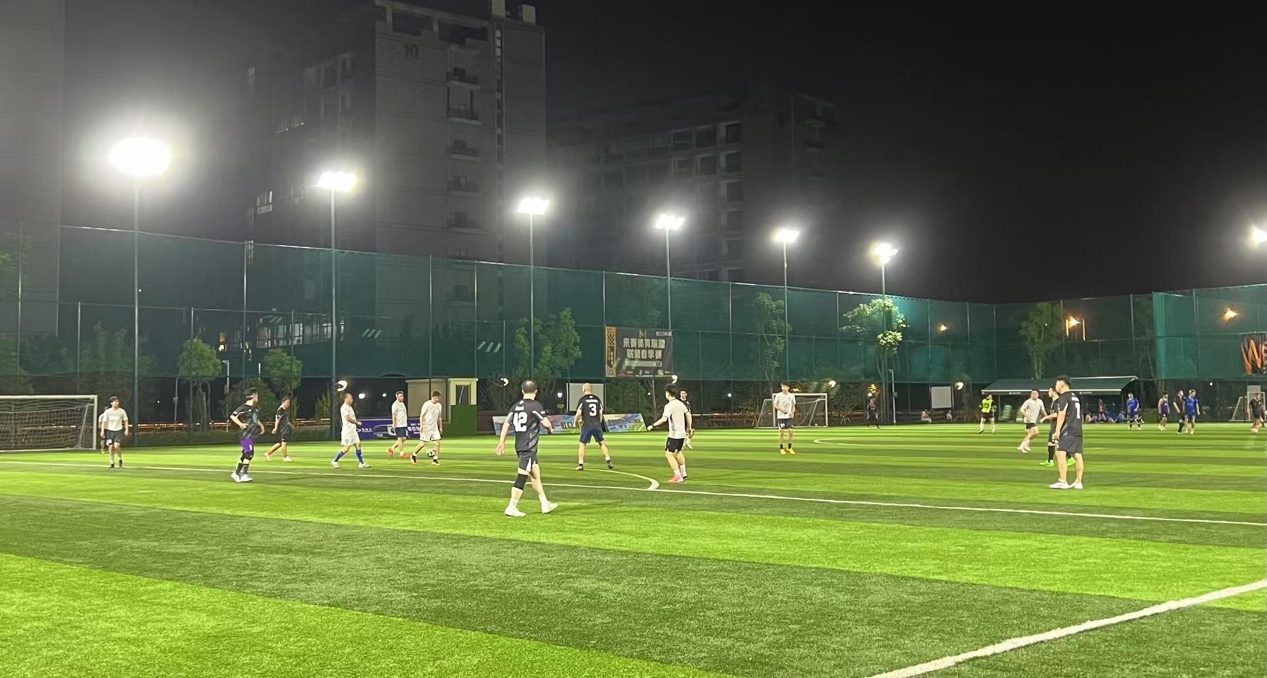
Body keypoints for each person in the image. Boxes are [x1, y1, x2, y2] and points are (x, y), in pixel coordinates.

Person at [495, 380, 557, 517]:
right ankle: (511, 507)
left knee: (535, 476)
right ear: (536, 392)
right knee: (522, 477)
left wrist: (502, 442)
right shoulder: (535, 405)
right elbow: (546, 422)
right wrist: (550, 429)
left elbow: (506, 424)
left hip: (520, 446)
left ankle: (544, 503)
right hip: (528, 448)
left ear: (522, 391)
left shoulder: (516, 406)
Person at [648, 387, 692, 483]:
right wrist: (689, 428)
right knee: (678, 452)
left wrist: (653, 425)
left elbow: (664, 419)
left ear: (668, 393)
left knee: (668, 454)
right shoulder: (680, 403)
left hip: (674, 434)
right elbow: (688, 415)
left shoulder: (669, 406)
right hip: (682, 433)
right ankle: (683, 472)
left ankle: (678, 475)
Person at [1049, 376, 1085, 489]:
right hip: (1077, 428)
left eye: (1056, 384)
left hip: (1068, 429)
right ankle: (1078, 482)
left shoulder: (1063, 397)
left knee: (1060, 453)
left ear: (1062, 384)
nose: (1056, 386)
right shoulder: (1074, 397)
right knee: (1076, 454)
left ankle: (1063, 481)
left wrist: (1057, 431)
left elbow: (1062, 413)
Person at [575, 383, 613, 471]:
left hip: (587, 425)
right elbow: (600, 413)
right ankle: (608, 461)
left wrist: (575, 422)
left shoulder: (582, 400)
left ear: (583, 389)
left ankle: (580, 464)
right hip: (596, 425)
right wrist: (599, 423)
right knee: (602, 443)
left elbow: (579, 413)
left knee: (582, 444)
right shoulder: (597, 399)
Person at [230, 390, 262, 483]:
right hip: (245, 434)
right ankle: (244, 475)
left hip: (251, 434)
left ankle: (236, 473)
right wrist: (240, 424)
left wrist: (261, 426)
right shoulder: (243, 407)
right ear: (253, 395)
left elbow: (254, 419)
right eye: (257, 395)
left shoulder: (255, 408)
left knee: (246, 454)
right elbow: (233, 416)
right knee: (249, 453)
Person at [332, 392, 369, 469]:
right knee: (346, 449)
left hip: (353, 430)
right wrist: (357, 422)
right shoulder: (344, 407)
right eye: (350, 398)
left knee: (358, 444)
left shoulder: (350, 407)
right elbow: (347, 418)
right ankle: (335, 461)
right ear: (346, 399)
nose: (352, 400)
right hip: (347, 431)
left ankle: (361, 463)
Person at [411, 391, 444, 465]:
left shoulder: (439, 405)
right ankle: (413, 455)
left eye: (438, 398)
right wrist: (421, 426)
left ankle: (435, 460)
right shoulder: (427, 404)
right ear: (432, 397)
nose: (437, 399)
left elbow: (439, 417)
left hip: (434, 427)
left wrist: (441, 427)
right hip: (426, 427)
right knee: (422, 444)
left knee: (437, 443)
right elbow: (422, 415)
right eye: (436, 398)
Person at [99, 396, 130, 468]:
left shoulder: (122, 411)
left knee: (116, 446)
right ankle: (112, 463)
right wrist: (102, 431)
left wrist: (127, 429)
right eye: (115, 402)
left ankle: (120, 459)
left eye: (117, 401)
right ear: (111, 403)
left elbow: (126, 420)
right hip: (110, 431)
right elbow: (104, 422)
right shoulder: (107, 412)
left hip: (118, 430)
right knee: (110, 447)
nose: (117, 403)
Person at [264, 396, 294, 462]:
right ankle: (285, 457)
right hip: (282, 429)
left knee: (279, 443)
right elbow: (277, 419)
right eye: (288, 402)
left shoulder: (284, 410)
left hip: (284, 428)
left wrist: (291, 425)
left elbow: (285, 420)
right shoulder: (280, 410)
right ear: (284, 402)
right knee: (284, 443)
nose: (288, 404)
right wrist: (275, 428)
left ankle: (268, 453)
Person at [773, 382, 797, 454]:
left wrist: (792, 412)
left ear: (788, 387)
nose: (783, 388)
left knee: (791, 431)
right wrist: (782, 410)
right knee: (782, 432)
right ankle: (781, 448)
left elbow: (793, 405)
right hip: (781, 416)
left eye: (784, 386)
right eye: (782, 386)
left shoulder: (791, 396)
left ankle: (789, 447)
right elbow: (775, 405)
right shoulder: (778, 395)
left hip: (789, 416)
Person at [386, 391, 410, 459]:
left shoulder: (402, 403)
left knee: (404, 438)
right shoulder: (395, 405)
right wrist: (394, 424)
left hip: (403, 423)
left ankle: (391, 448)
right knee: (400, 438)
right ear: (397, 397)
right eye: (400, 396)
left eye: (402, 396)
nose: (402, 397)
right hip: (398, 424)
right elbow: (394, 415)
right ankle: (402, 453)